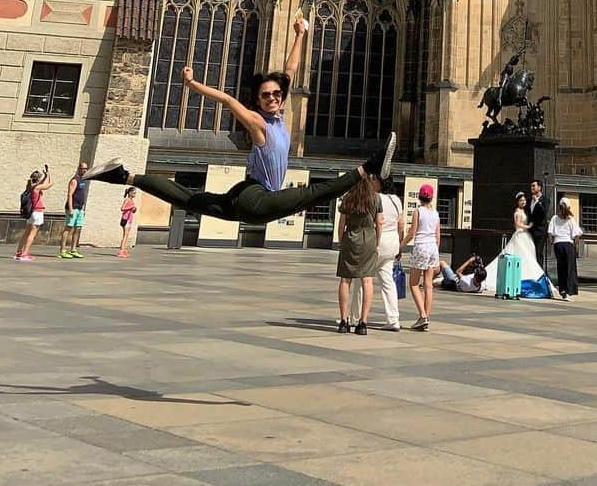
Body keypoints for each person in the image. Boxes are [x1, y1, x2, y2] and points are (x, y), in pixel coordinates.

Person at [82, 17, 397, 230]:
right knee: (312, 194)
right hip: (257, 198)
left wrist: (301, 35)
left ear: (282, 97)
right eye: (265, 95)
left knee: (188, 198)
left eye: (276, 94)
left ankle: (123, 176)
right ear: (258, 101)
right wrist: (193, 86)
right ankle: (370, 166)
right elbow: (229, 102)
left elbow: (290, 69)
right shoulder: (259, 123)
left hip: (246, 195)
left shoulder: (279, 112)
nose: (272, 97)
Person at [336, 175, 382, 335]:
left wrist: (341, 241)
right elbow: (379, 222)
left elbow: (342, 223)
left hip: (350, 238)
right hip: (368, 238)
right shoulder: (375, 198)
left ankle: (343, 321)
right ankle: (363, 323)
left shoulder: (348, 198)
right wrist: (377, 242)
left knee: (345, 280)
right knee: (367, 281)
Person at [404, 183, 440, 330]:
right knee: (428, 285)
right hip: (433, 247)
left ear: (420, 197)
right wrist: (435, 252)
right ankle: (426, 317)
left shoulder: (418, 211)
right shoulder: (436, 213)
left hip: (421, 246)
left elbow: (412, 232)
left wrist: (401, 245)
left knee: (413, 284)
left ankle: (422, 315)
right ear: (431, 198)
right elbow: (438, 235)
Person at [548, 198, 583, 300]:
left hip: (558, 244)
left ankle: (562, 290)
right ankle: (568, 290)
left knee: (561, 267)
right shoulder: (570, 219)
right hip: (568, 244)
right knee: (569, 268)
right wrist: (575, 245)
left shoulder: (554, 218)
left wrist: (551, 242)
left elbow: (550, 232)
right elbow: (577, 234)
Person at [15, 166, 52, 261]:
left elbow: (41, 183)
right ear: (38, 179)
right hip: (37, 211)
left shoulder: (30, 186)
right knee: (33, 233)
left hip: (31, 212)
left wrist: (45, 176)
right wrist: (49, 174)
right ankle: (25, 253)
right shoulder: (37, 188)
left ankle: (19, 252)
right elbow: (50, 184)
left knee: (27, 232)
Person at [58, 161, 90, 259]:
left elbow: (82, 194)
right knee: (69, 228)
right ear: (78, 168)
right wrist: (71, 209)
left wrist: (83, 207)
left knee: (78, 228)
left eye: (85, 168)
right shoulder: (74, 180)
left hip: (80, 208)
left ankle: (73, 249)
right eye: (82, 168)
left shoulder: (84, 180)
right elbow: (70, 195)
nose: (84, 170)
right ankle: (62, 251)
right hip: (73, 208)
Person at [527, 179, 548, 267]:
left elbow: (544, 213)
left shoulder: (545, 200)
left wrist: (537, 202)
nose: (531, 188)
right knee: (529, 253)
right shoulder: (529, 200)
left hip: (540, 232)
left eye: (533, 186)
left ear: (539, 187)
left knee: (538, 253)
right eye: (531, 186)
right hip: (529, 231)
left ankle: (539, 275)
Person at [118, 187, 138, 258]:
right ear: (130, 193)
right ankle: (121, 251)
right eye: (134, 193)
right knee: (125, 235)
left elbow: (131, 210)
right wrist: (130, 207)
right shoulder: (127, 200)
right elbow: (122, 208)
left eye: (135, 193)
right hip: (125, 219)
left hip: (129, 220)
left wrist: (134, 209)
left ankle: (123, 249)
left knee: (126, 235)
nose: (135, 194)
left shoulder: (131, 200)